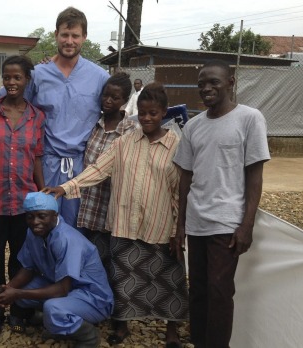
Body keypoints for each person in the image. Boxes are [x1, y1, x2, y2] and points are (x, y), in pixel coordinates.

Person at [45, 83, 188, 347]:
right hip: (124, 223)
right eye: (143, 113)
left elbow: (179, 192)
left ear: (164, 113)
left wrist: (178, 231)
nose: (146, 118)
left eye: (153, 113)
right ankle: (121, 326)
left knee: (169, 280)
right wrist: (65, 188)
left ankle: (171, 332)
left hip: (159, 225)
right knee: (122, 279)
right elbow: (98, 169)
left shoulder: (175, 146)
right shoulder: (124, 142)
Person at [173, 60, 270, 348]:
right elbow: (185, 178)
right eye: (201, 83)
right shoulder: (193, 126)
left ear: (231, 81)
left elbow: (255, 174)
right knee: (199, 291)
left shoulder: (249, 118)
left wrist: (247, 225)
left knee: (219, 291)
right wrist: (180, 225)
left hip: (227, 222)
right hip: (197, 221)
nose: (206, 88)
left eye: (213, 81)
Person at [0, 55, 46, 336]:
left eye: (17, 77)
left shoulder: (37, 116)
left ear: (27, 79)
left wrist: (42, 196)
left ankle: (19, 310)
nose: (12, 82)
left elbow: (37, 158)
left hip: (25, 202)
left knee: (21, 261)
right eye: (7, 77)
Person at [22, 7, 110, 227]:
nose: (69, 41)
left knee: (76, 229)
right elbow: (11, 106)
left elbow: (116, 116)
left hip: (83, 166)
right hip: (45, 165)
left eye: (75, 35)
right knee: (42, 228)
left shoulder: (99, 77)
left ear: (84, 37)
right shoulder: (38, 74)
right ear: (56, 36)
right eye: (65, 35)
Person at [0, 192, 113, 348]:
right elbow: (28, 268)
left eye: (42, 216)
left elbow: (62, 289)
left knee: (52, 307)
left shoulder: (66, 239)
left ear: (55, 215)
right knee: (19, 289)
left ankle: (88, 336)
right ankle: (56, 322)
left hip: (92, 298)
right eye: (30, 216)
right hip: (64, 287)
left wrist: (17, 293)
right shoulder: (33, 233)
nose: (35, 222)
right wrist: (9, 288)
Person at [76, 72, 137, 267]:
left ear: (125, 101)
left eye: (115, 97)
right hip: (86, 209)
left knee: (107, 265)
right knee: (84, 262)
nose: (108, 101)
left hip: (109, 212)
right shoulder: (93, 124)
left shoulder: (131, 132)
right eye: (105, 95)